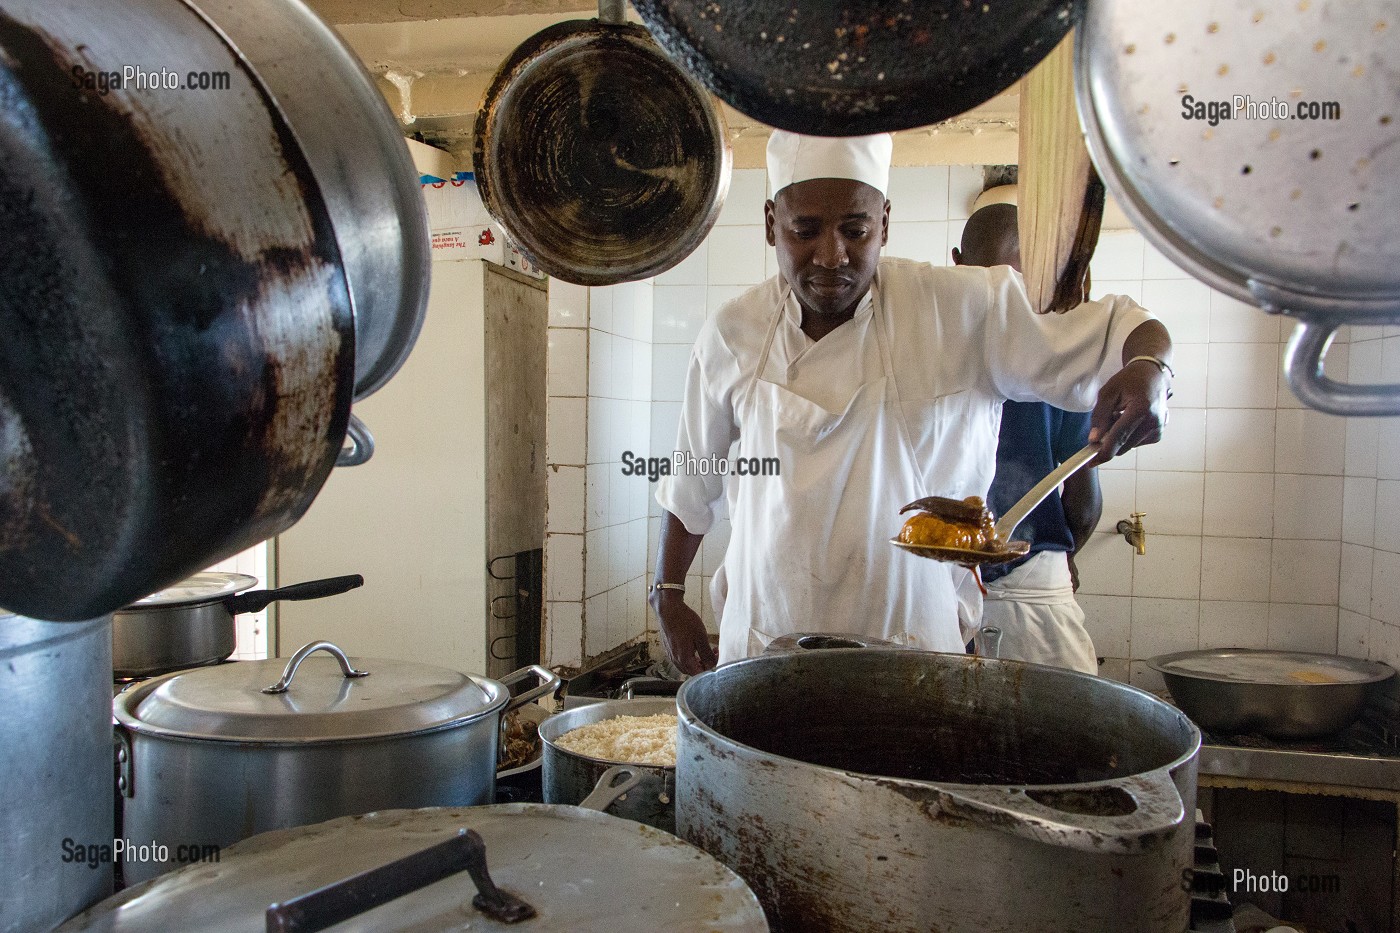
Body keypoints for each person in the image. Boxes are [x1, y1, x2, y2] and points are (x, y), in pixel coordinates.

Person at [649, 131, 1173, 675]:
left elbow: (1121, 327)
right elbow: (693, 474)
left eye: (856, 230)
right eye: (805, 231)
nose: (832, 256)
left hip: (914, 659)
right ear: (768, 224)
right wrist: (667, 592)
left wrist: (1150, 368)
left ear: (886, 223)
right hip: (762, 651)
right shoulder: (732, 333)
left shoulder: (959, 310)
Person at [952, 201, 1105, 674]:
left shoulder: (933, 344)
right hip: (1031, 587)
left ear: (956, 264)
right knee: (1061, 736)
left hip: (947, 582)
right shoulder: (1057, 354)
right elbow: (1082, 501)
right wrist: (1066, 553)